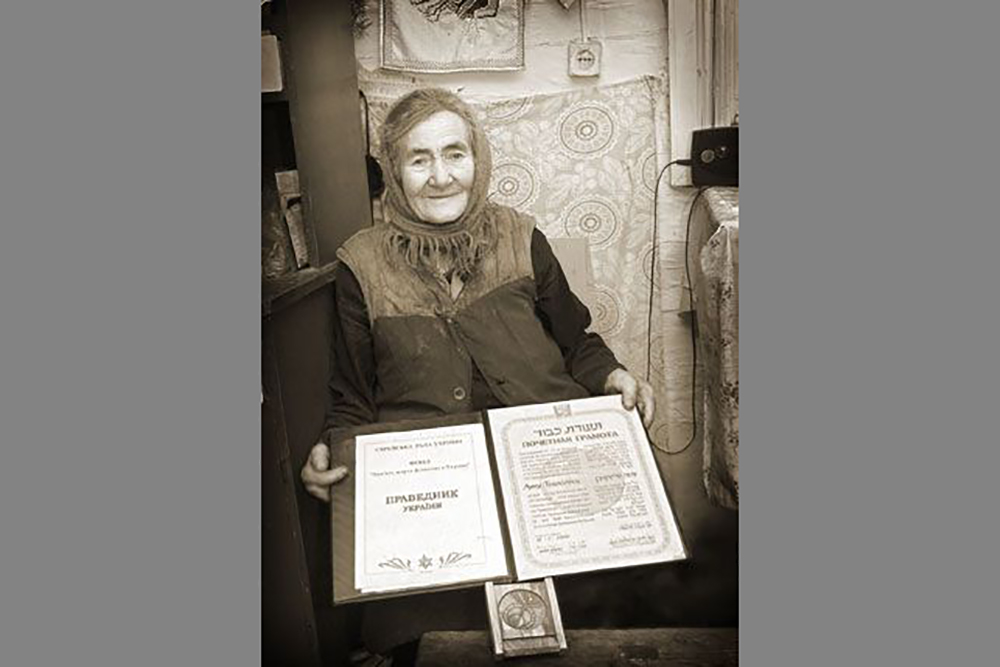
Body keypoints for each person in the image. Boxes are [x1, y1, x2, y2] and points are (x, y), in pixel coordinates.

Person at [300, 88, 655, 663]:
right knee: (437, 645)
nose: (440, 176)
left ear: (477, 159)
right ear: (394, 170)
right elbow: (353, 397)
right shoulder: (360, 266)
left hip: (547, 474)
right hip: (436, 496)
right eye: (419, 159)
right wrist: (330, 447)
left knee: (597, 632)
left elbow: (578, 345)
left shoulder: (522, 237)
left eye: (454, 154)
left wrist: (612, 375)